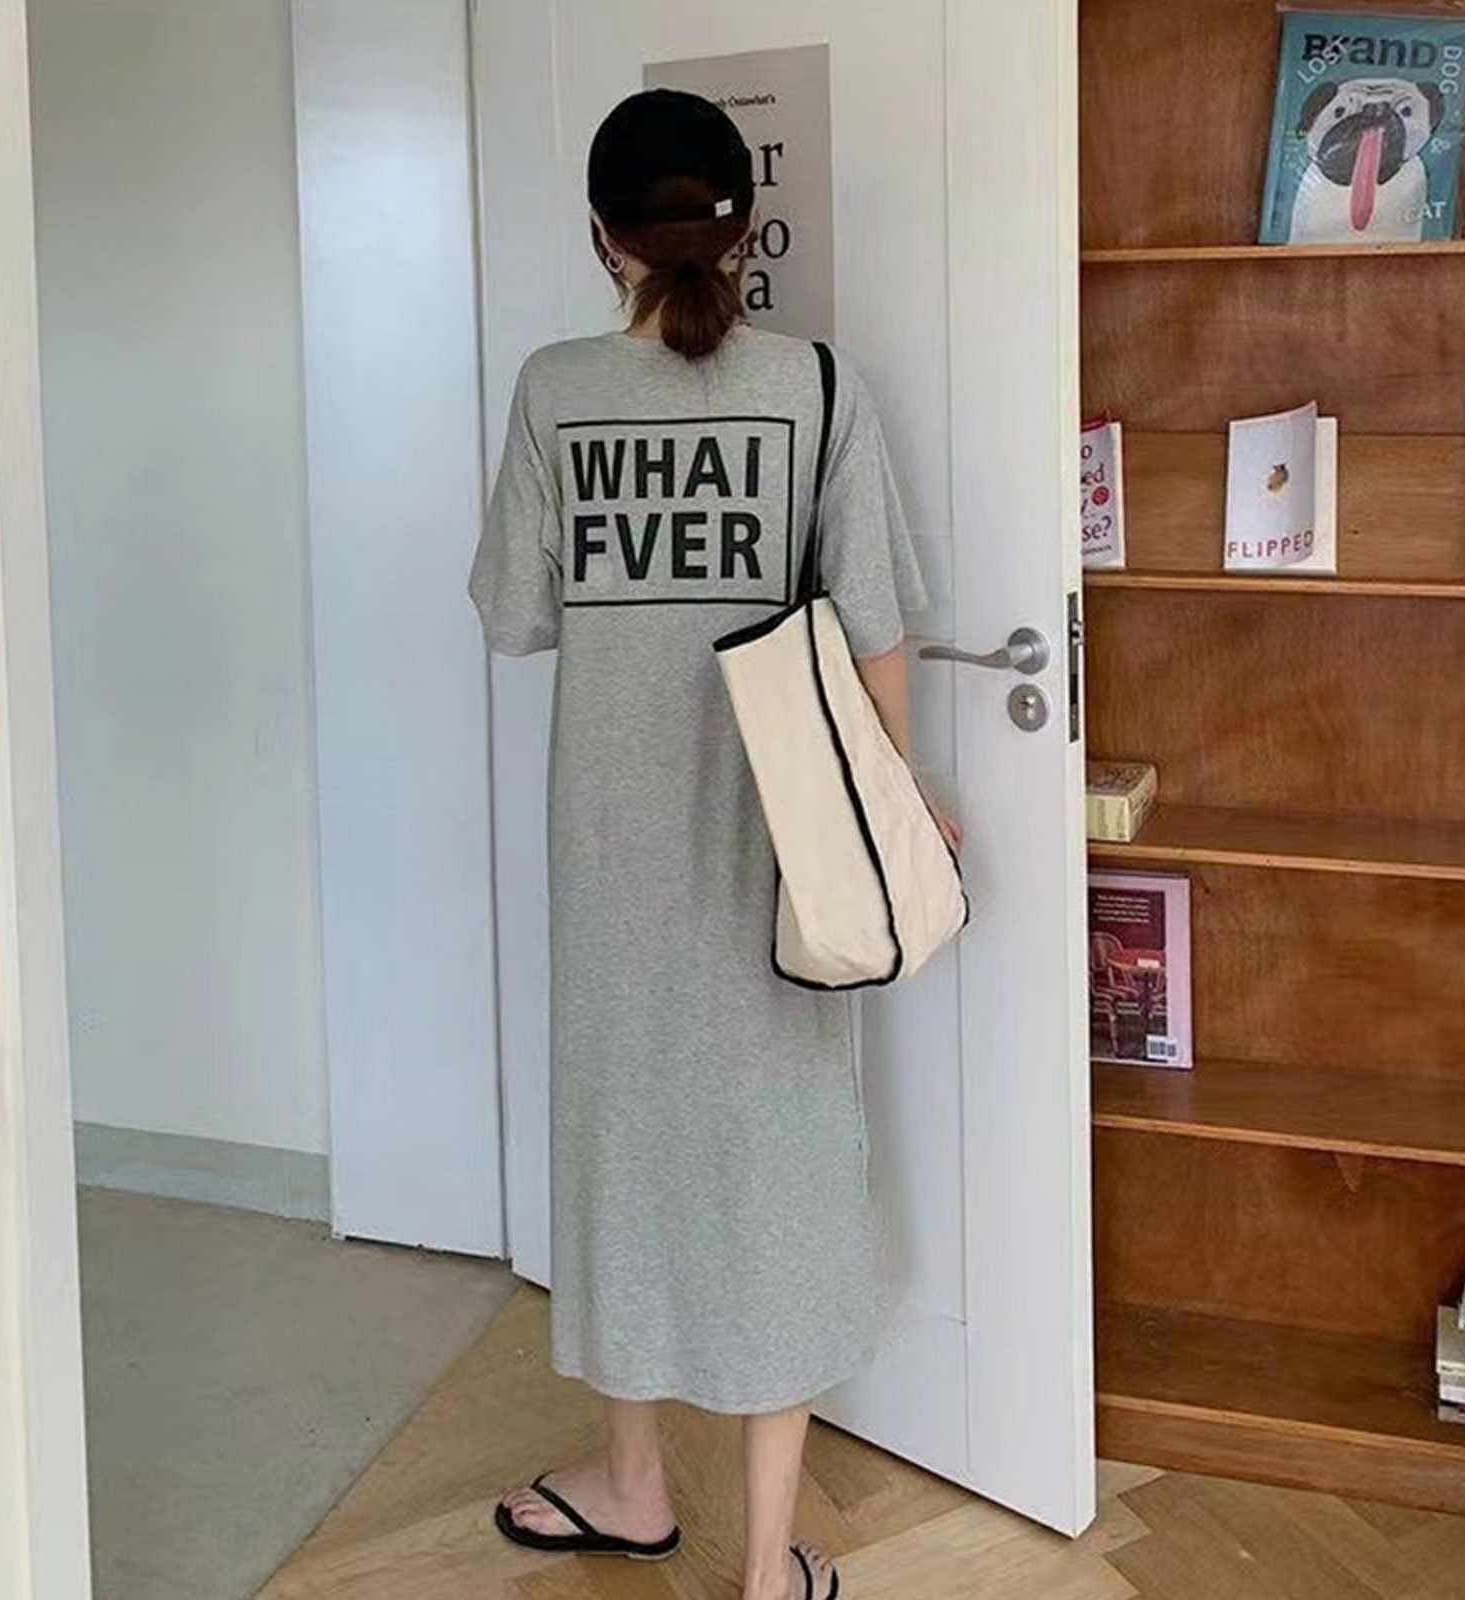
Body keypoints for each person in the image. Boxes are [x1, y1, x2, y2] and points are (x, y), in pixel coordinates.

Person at [469, 87, 959, 1600]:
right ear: (746, 232)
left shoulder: (554, 390)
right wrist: (901, 794)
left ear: (601, 237)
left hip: (611, 855)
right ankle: (762, 1570)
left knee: (620, 1159)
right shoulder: (815, 386)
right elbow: (877, 627)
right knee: (781, 1171)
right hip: (786, 858)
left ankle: (630, 1484)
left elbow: (517, 617)